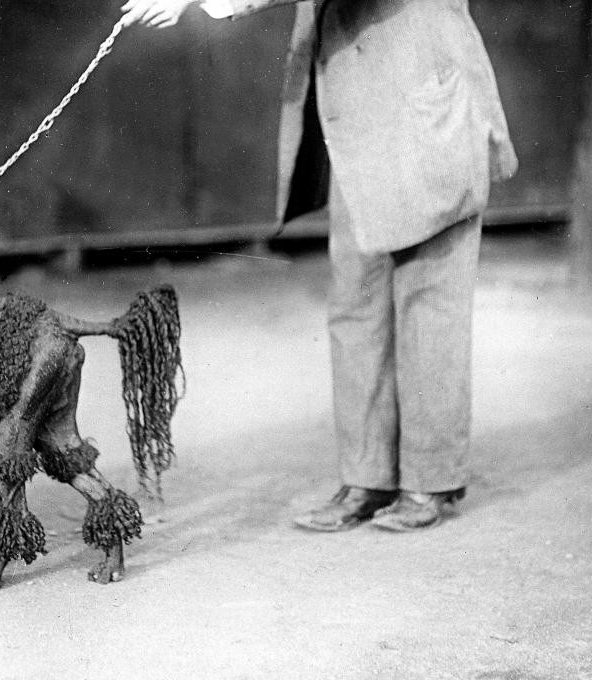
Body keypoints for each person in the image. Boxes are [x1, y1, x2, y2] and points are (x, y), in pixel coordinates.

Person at [121, 0, 518, 531]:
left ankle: (431, 482)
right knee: (357, 300)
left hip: (425, 103)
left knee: (429, 297)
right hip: (359, 118)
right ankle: (367, 478)